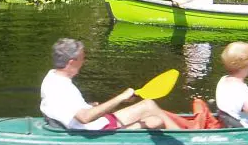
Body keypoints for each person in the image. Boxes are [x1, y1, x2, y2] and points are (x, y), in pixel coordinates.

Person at [40, 38, 179, 131]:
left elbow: (63, 106)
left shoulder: (51, 77)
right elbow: (84, 118)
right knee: (149, 107)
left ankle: (183, 135)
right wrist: (121, 97)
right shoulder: (63, 88)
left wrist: (89, 105)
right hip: (93, 130)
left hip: (93, 124)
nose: (84, 61)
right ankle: (190, 139)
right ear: (71, 62)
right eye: (82, 59)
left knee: (155, 119)